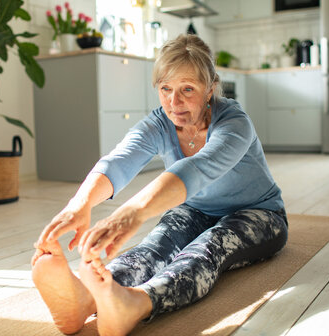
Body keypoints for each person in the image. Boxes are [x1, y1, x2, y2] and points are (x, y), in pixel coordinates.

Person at [31, 34, 288, 336]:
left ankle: (136, 304)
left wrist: (132, 212)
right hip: (195, 210)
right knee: (157, 244)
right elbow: (119, 161)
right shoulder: (159, 123)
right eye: (165, 89)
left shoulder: (234, 123)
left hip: (259, 214)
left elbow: (197, 168)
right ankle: (86, 299)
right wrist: (80, 205)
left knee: (208, 247)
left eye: (187, 89)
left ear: (210, 89)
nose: (173, 102)